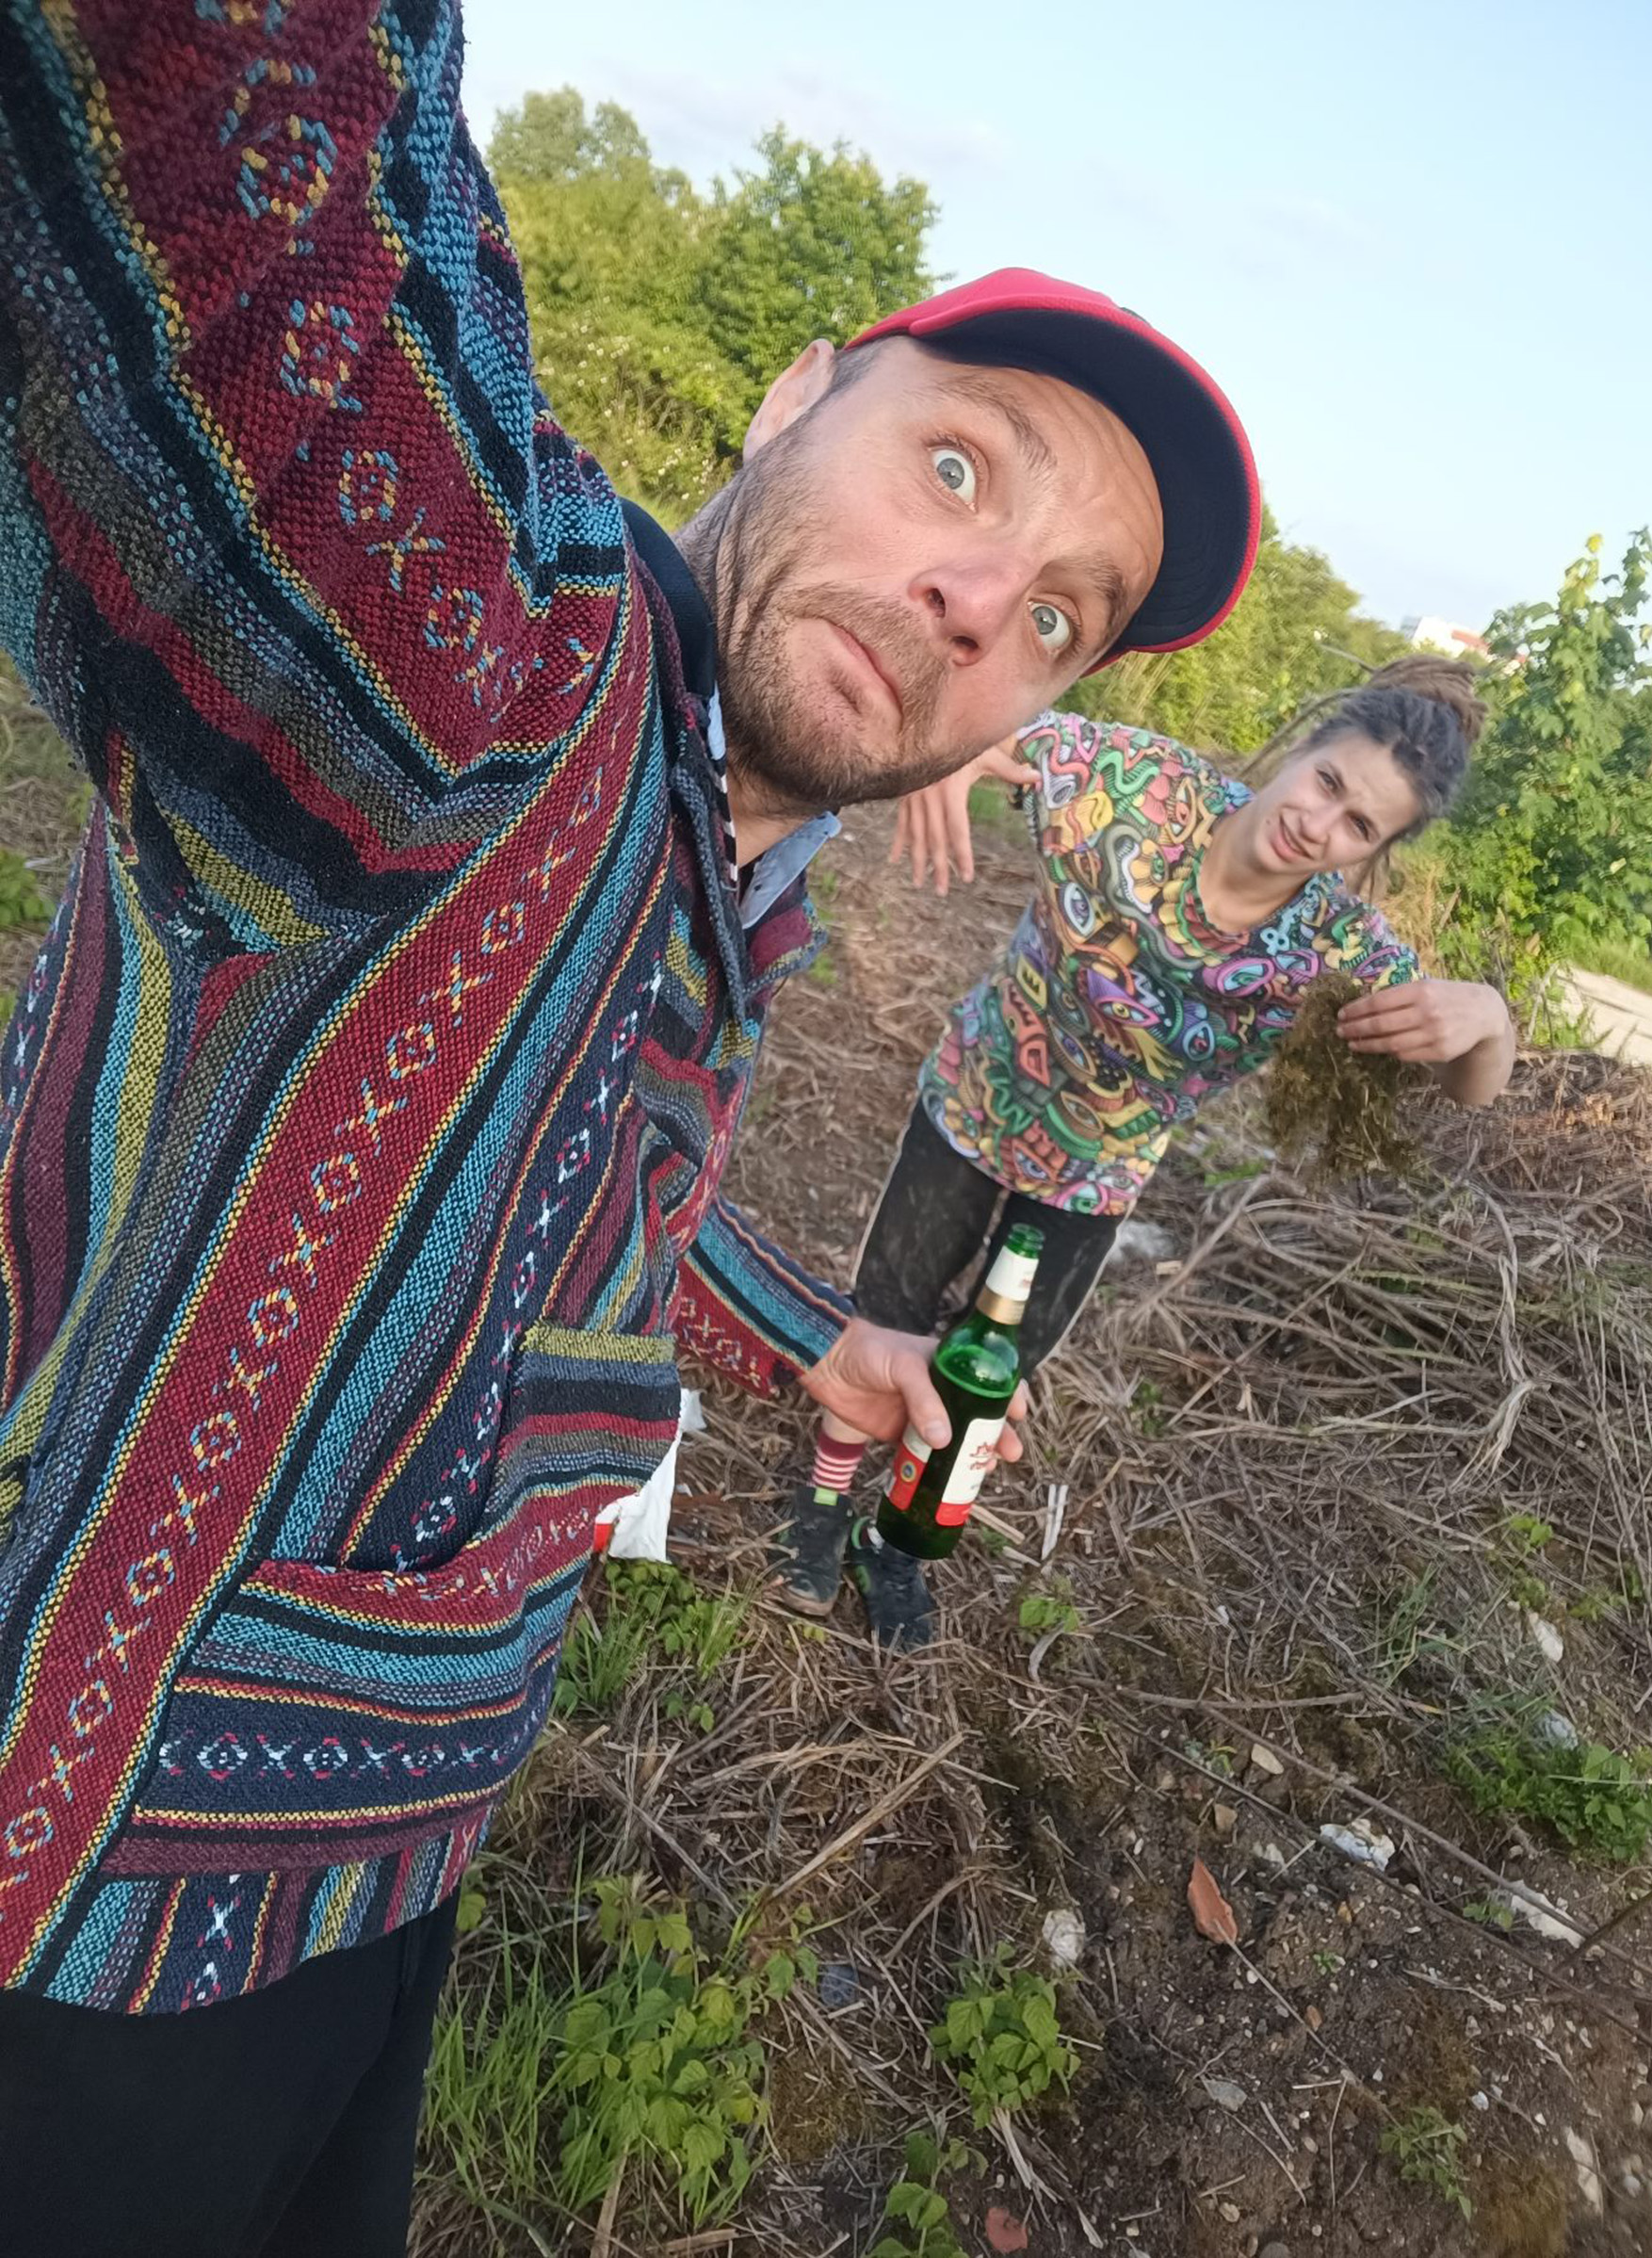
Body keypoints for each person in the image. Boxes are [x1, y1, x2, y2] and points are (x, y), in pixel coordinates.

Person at [0, 2, 1260, 2248]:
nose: (982, 599)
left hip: (380, 1874)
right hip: (94, 1917)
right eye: (956, 469)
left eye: (1059, 618)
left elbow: (586, 1176)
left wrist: (810, 1335)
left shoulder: (729, 868)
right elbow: (235, 174)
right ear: (792, 395)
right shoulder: (510, 672)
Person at [772, 658, 1516, 1649]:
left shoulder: (1337, 955)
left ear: (1373, 851)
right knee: (888, 1310)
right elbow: (986, 724)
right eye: (1329, 781)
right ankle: (823, 1502)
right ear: (1303, 749)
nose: (1318, 824)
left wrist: (1490, 1018)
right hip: (977, 1095)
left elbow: (1471, 1086)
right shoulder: (1138, 785)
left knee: (989, 1374)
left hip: (1094, 1175)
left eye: (1357, 827)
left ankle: (896, 1540)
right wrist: (949, 762)